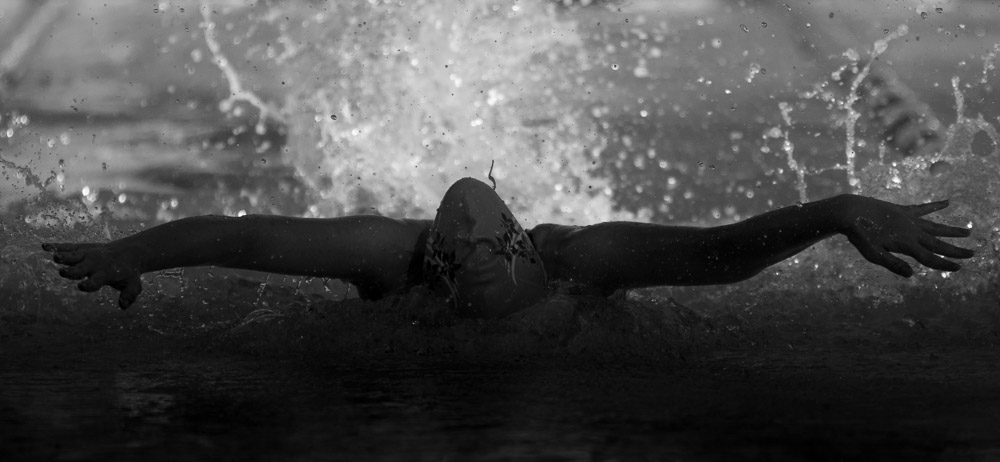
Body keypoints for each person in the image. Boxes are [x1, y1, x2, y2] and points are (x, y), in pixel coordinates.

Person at [43, 177, 974, 318]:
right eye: (455, 273)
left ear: (528, 256)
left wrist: (839, 209)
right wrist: (134, 249)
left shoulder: (587, 259)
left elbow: (720, 254)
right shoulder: (388, 254)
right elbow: (238, 237)